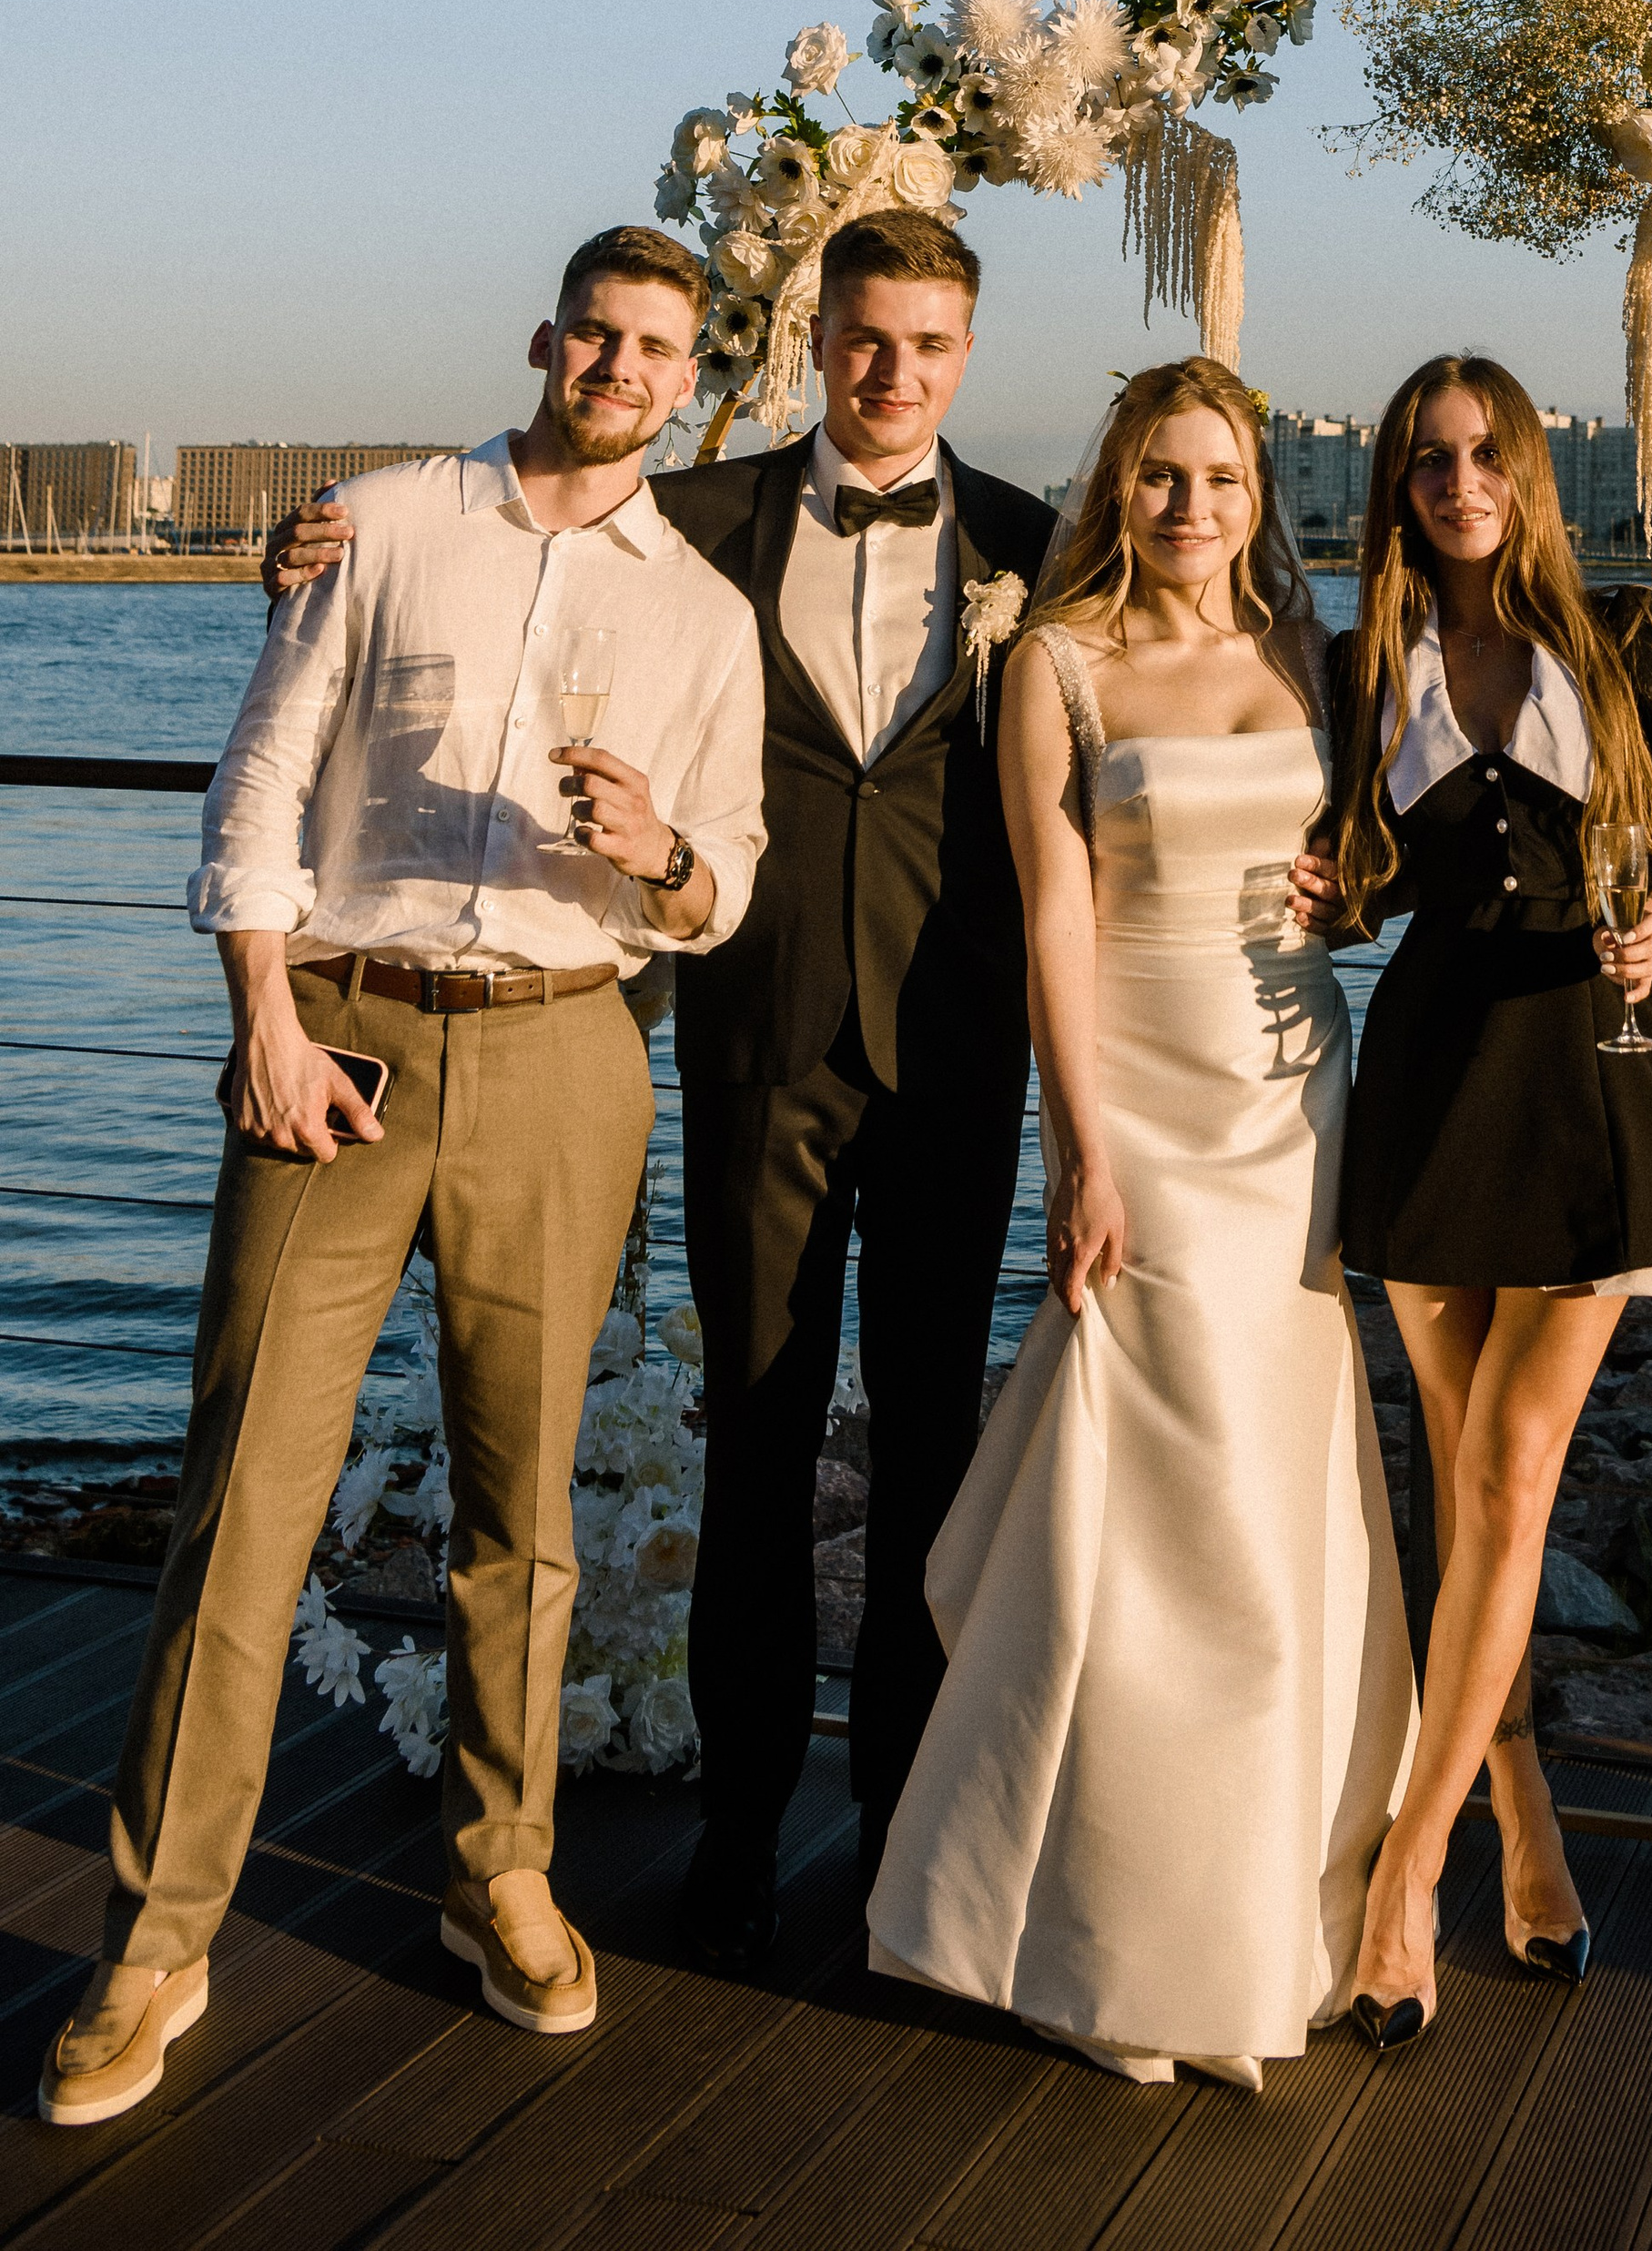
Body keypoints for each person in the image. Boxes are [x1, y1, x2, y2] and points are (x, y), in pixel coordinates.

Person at [264, 202, 1053, 1971]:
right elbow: (480, 581)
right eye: (863, 337)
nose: (890, 373)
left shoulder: (1028, 542)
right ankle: (736, 1839)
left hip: (949, 1062)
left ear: (964, 354)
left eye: (925, 345)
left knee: (931, 1464)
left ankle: (907, 1859)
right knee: (758, 1461)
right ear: (813, 338)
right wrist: (309, 558)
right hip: (748, 1054)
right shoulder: (684, 522)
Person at [40, 227, 766, 2130]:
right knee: (244, 1500)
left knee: (521, 1519)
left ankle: (496, 1873)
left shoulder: (699, 612)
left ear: (688, 379)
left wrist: (660, 852)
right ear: (547, 342)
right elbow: (262, 778)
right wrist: (262, 1016)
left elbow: (724, 887)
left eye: (655, 347)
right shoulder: (376, 522)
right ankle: (159, 1934)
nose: (618, 366)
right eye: (596, 334)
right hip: (337, 1040)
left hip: (563, 1053)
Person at [866, 358, 1417, 2090]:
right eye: (1166, 478)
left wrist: (1355, 887)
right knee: (1173, 1527)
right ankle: (1120, 1932)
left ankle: (1262, 1915)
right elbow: (1055, 921)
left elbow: (1384, 849)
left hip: (1295, 1098)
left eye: (1226, 480)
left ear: (1264, 495)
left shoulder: (1313, 655)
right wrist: (1083, 1153)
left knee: (1283, 1497)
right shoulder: (1057, 663)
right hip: (1150, 1118)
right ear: (1121, 487)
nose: (1196, 509)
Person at [1327, 353, 1652, 2046]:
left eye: (1486, 455)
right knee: (1457, 1478)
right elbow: (1357, 879)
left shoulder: (1621, 631)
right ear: (1400, 484)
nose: (1460, 481)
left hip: (1592, 1063)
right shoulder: (1370, 660)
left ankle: (1410, 1868)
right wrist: (1320, 880)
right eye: (1430, 459)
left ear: (1530, 470)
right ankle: (1529, 1813)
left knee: (1513, 1465)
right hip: (1431, 1072)